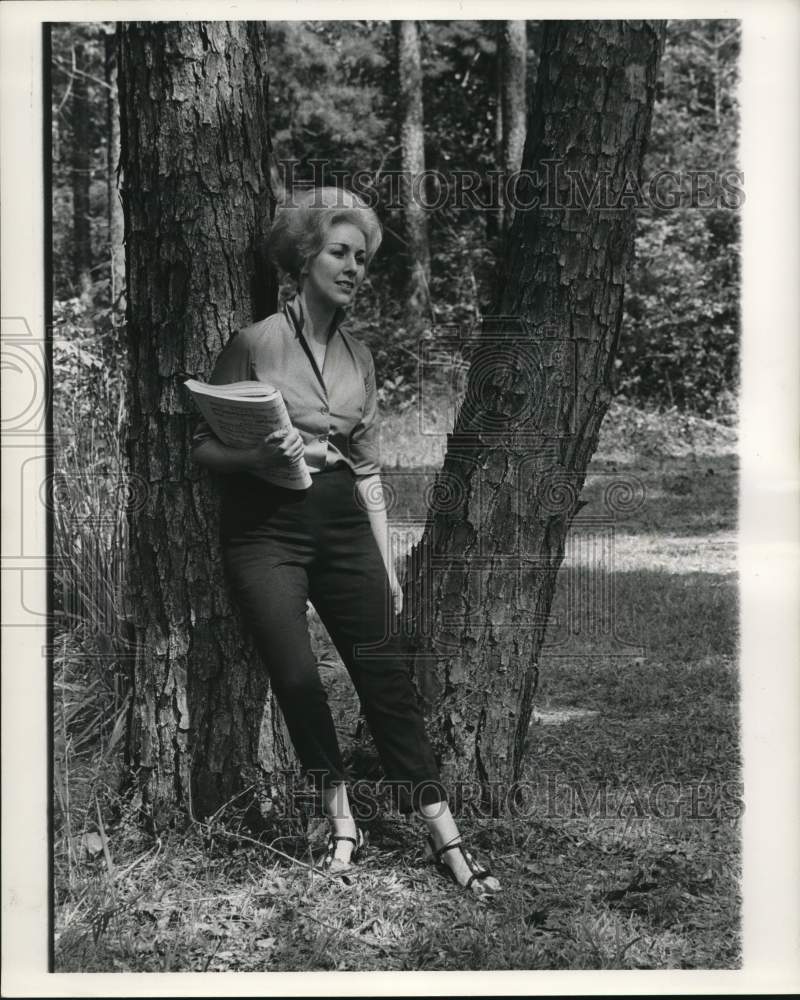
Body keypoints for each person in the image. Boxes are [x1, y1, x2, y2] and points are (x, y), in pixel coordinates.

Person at [191, 187, 500, 896]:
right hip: (263, 527)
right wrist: (257, 458)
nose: (354, 266)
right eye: (340, 252)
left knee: (385, 678)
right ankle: (341, 821)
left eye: (362, 256)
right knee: (297, 679)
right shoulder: (253, 342)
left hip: (340, 523)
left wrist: (384, 557)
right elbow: (202, 446)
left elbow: (365, 467)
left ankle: (445, 835)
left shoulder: (361, 356)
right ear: (305, 256)